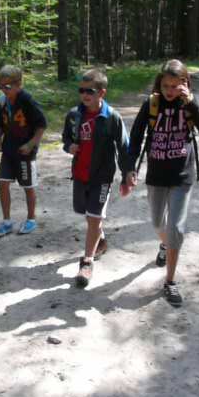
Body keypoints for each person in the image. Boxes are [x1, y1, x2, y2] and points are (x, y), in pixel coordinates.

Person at [126, 59, 199, 307]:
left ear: (185, 83)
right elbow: (135, 137)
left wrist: (192, 103)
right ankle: (165, 244)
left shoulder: (189, 104)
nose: (170, 91)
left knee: (175, 228)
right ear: (160, 83)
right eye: (166, 85)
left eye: (175, 86)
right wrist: (129, 168)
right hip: (156, 175)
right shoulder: (152, 104)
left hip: (182, 177)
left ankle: (170, 281)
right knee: (157, 223)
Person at [62, 68, 132, 288]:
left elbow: (124, 147)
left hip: (102, 176)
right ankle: (100, 240)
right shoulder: (74, 115)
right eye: (81, 90)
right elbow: (66, 138)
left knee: (94, 217)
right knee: (86, 213)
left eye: (89, 91)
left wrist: (127, 174)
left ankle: (87, 262)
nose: (84, 95)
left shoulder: (111, 117)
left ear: (102, 92)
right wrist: (69, 147)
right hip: (80, 175)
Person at [0, 65, 47, 237]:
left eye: (7, 86)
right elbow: (1, 126)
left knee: (28, 186)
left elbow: (42, 124)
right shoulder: (2, 102)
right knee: (3, 183)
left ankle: (31, 219)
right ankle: (6, 222)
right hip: (8, 150)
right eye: (0, 86)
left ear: (18, 85)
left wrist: (31, 144)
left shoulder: (27, 101)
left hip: (25, 152)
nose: (4, 89)